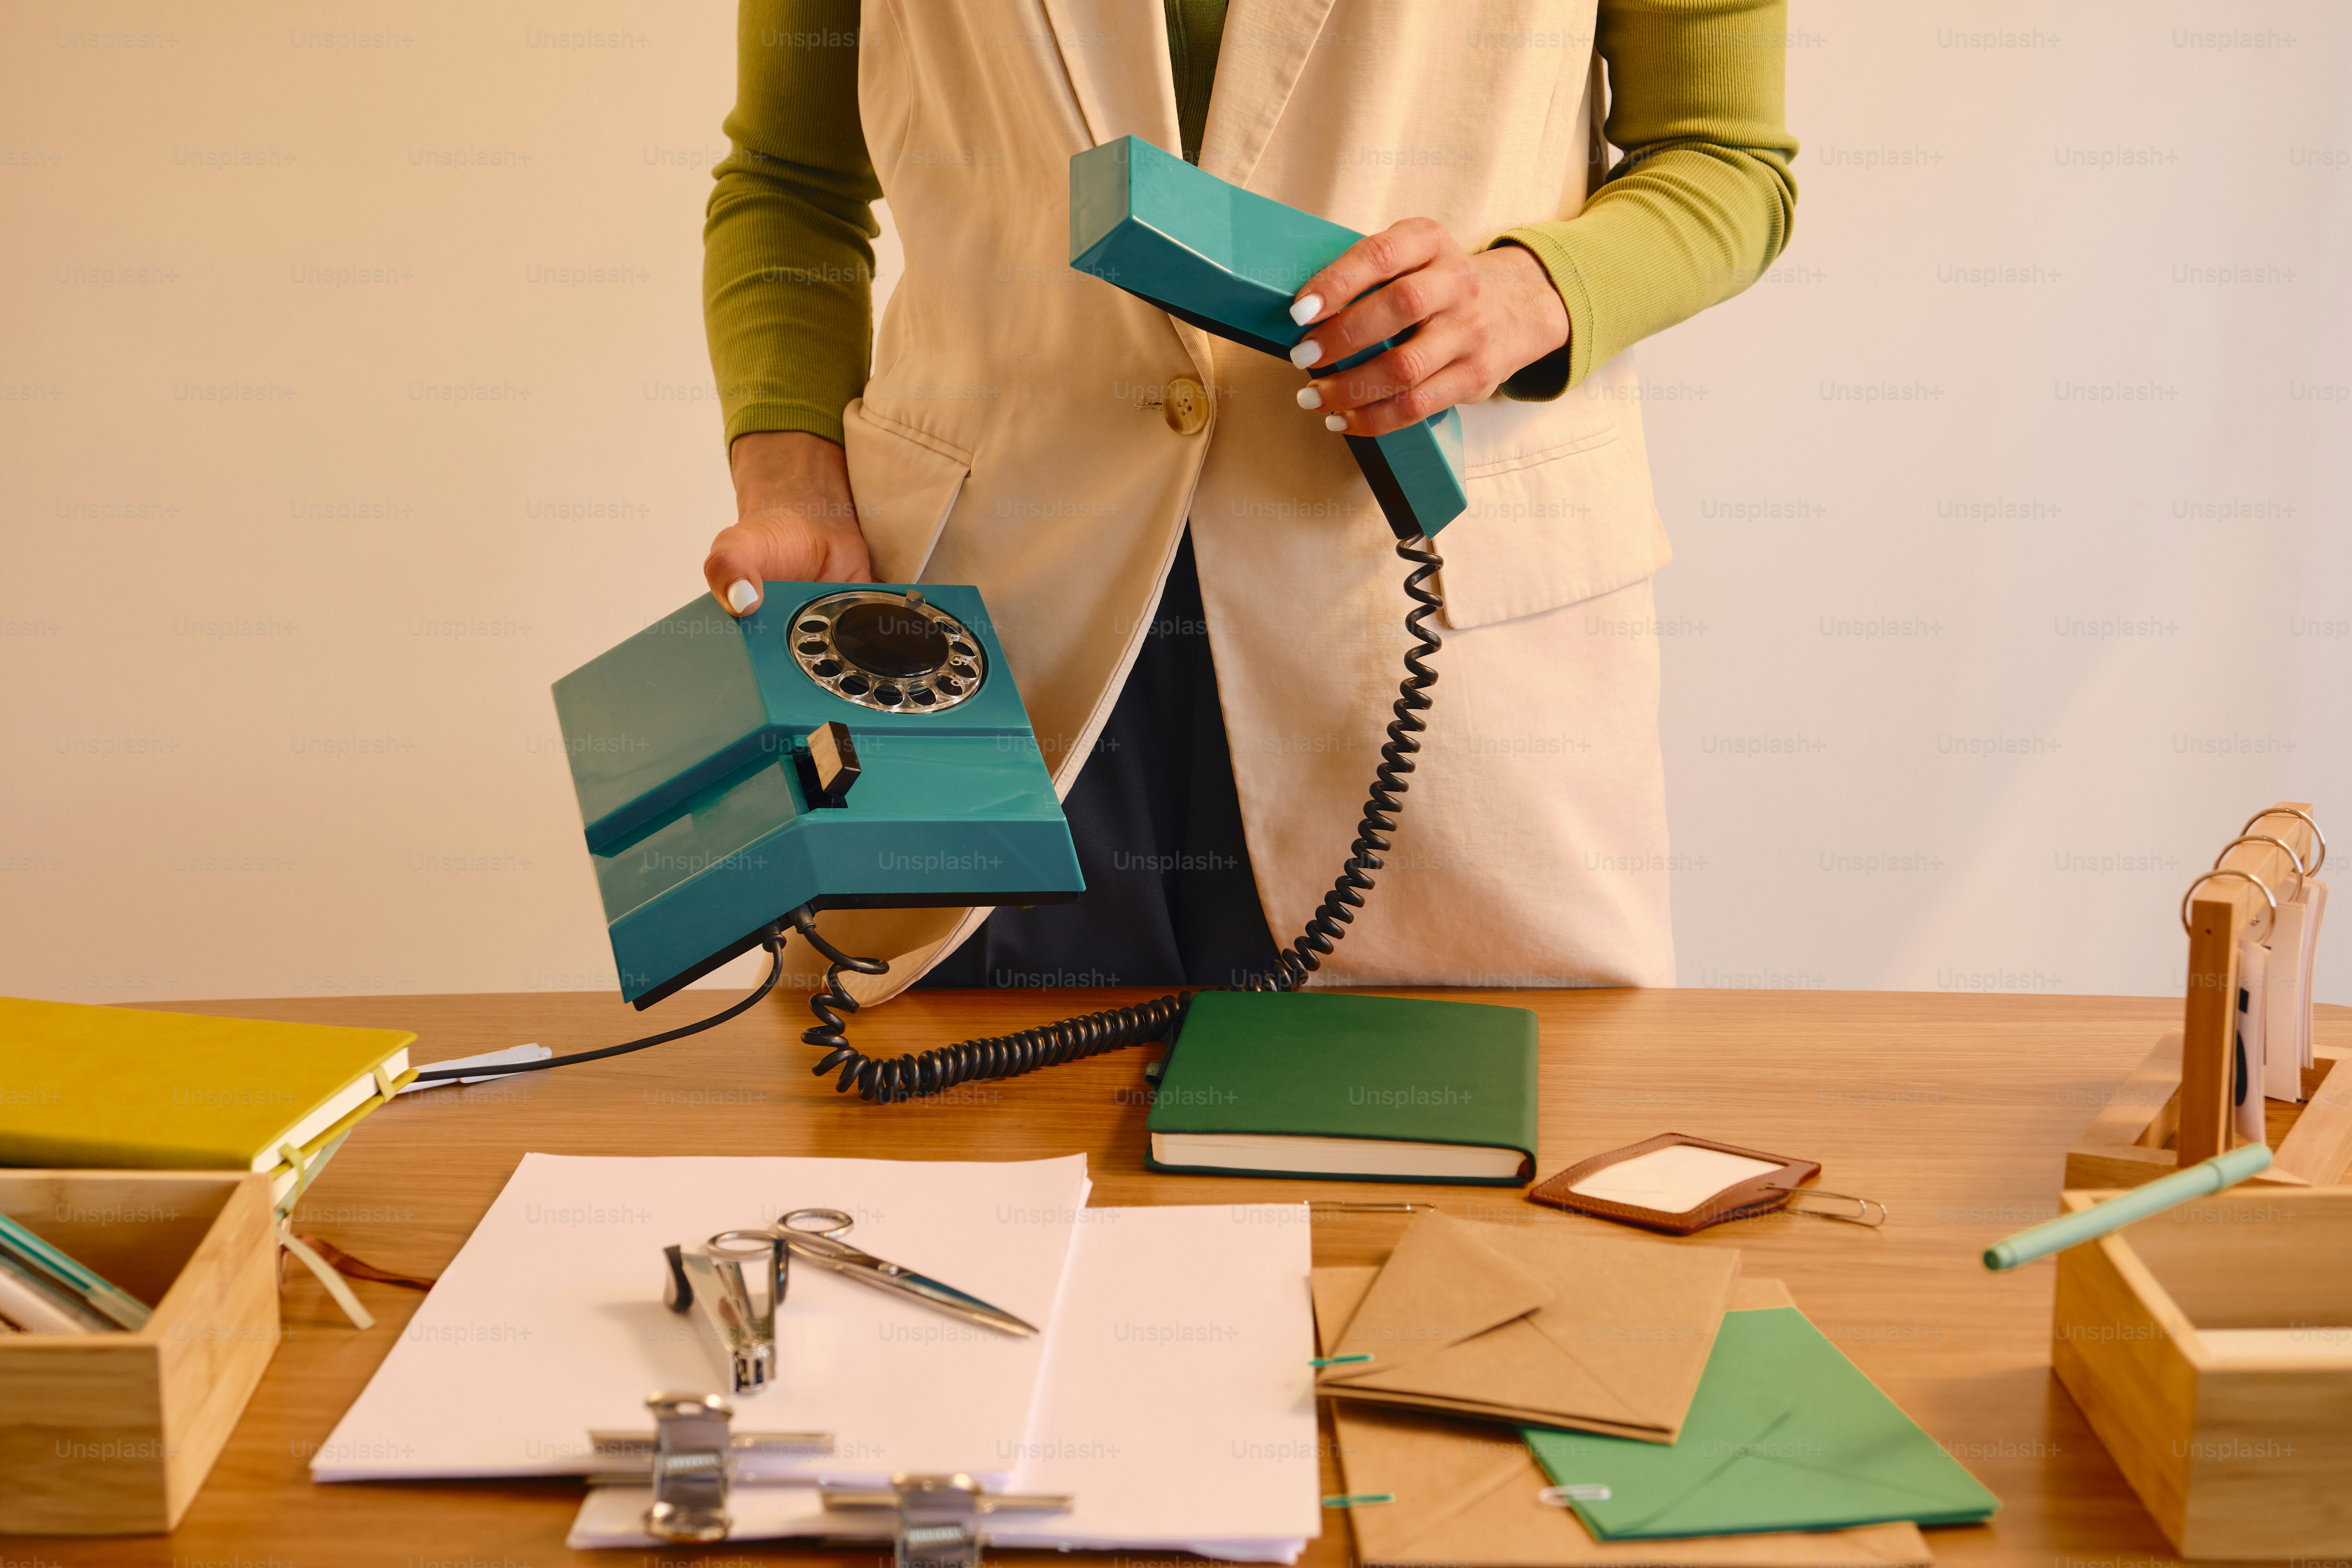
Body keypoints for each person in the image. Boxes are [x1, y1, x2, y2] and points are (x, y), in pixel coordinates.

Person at [699, 0, 1797, 1002]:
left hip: (1428, 641)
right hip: (982, 637)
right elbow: (792, 184)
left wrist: (1526, 294)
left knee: (1446, 1137)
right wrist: (794, 483)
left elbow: (1723, 157)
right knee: (925, 1132)